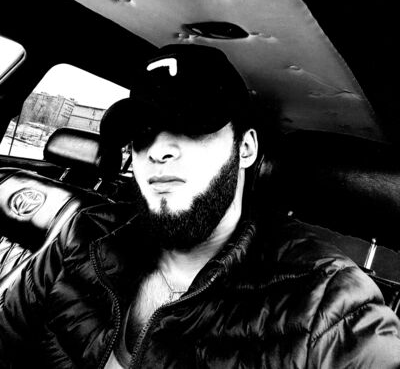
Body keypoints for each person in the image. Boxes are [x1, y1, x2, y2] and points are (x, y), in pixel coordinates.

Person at [1, 44, 400, 368]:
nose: (158, 150)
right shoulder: (83, 235)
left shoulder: (326, 305)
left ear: (245, 149)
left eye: (191, 125)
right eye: (143, 132)